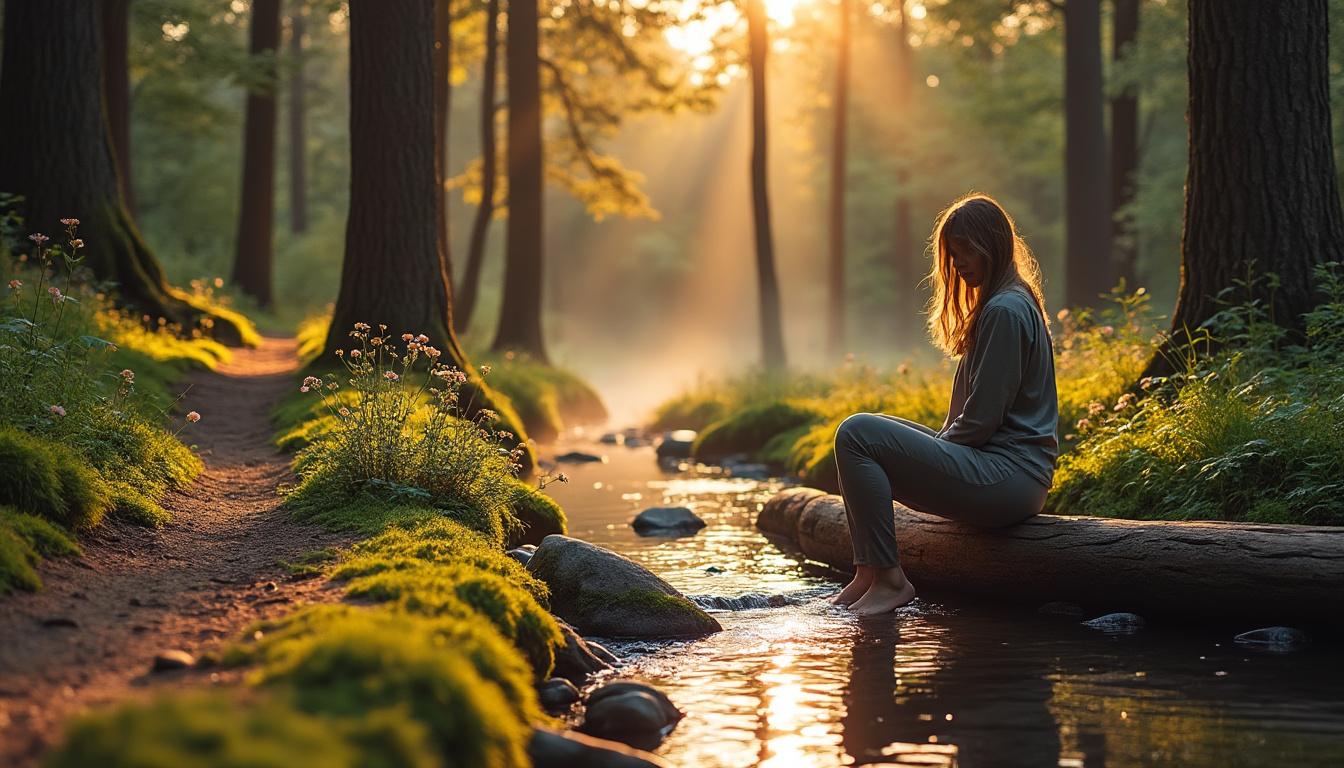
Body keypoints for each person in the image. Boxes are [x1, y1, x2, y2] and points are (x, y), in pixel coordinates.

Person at [831, 193, 1059, 615]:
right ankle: (868, 571)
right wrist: (934, 451)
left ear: (994, 244)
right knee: (869, 431)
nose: (959, 264)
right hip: (1005, 473)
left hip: (1009, 479)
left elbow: (981, 421)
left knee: (857, 433)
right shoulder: (1008, 301)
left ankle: (890, 579)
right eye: (953, 256)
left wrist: (937, 453)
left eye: (966, 251)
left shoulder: (1005, 310)